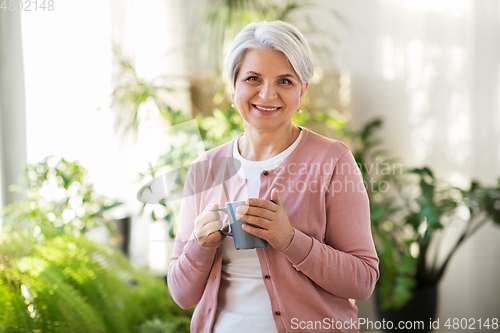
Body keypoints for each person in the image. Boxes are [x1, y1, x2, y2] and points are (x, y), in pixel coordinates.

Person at [167, 20, 379, 333]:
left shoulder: (333, 161)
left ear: (303, 91)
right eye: (253, 78)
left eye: (285, 81)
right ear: (233, 86)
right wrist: (199, 246)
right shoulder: (206, 168)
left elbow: (362, 281)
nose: (267, 94)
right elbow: (181, 295)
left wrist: (291, 241)